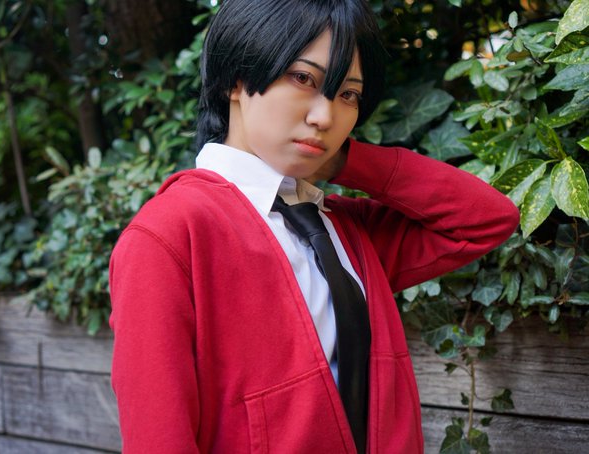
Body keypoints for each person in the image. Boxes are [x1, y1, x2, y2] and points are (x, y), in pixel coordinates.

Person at [108, 0, 520, 452]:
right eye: (303, 79)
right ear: (236, 80)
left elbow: (486, 219)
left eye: (348, 95)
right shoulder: (170, 234)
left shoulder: (345, 230)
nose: (325, 118)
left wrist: (347, 162)